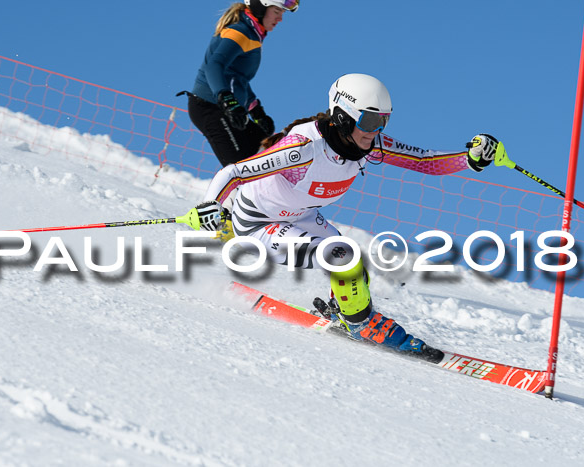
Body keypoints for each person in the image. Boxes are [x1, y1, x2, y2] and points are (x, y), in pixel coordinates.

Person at [193, 73, 501, 362]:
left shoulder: (367, 145)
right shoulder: (304, 147)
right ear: (342, 115)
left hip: (300, 217)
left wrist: (470, 159)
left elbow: (424, 161)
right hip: (259, 222)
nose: (376, 130)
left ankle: (346, 312)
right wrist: (211, 205)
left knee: (354, 268)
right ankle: (362, 325)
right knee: (341, 257)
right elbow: (234, 172)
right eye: (369, 120)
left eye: (383, 120)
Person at [179, 0, 300, 167]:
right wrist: (226, 99)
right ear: (261, 6)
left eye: (282, 13)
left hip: (226, 107)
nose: (280, 19)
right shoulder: (240, 32)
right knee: (243, 168)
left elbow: (237, 77)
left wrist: (255, 110)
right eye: (277, 12)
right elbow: (214, 65)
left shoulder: (252, 34)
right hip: (209, 107)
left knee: (268, 152)